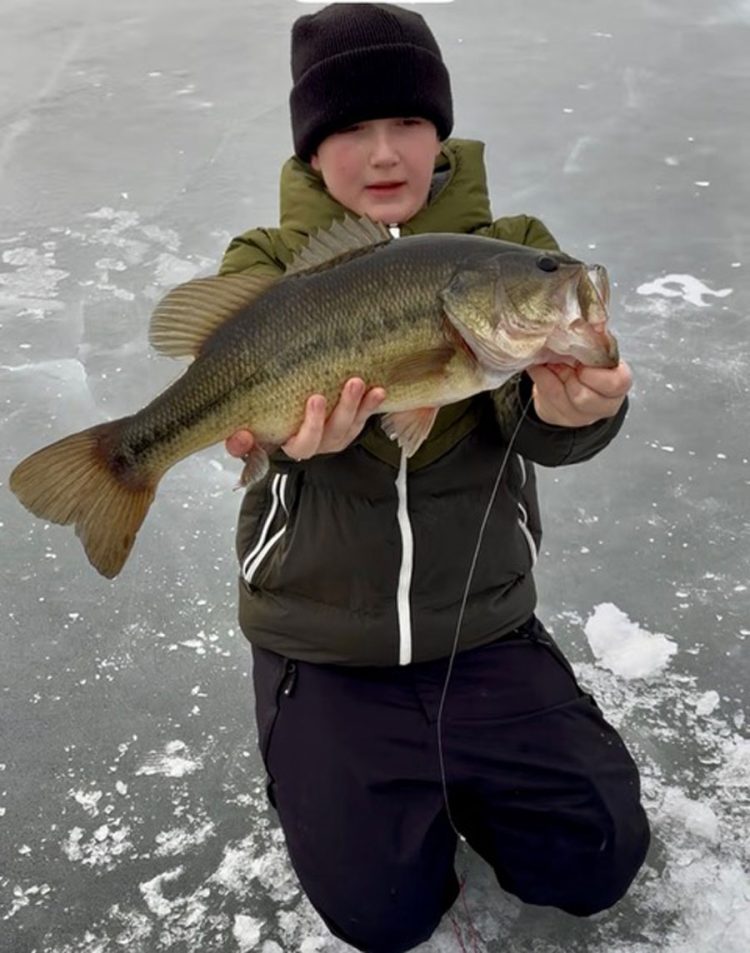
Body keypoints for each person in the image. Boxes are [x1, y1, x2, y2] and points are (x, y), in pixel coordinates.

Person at [218, 4, 650, 952]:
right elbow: (251, 411)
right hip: (323, 643)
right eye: (351, 129)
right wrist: (285, 440)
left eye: (408, 122)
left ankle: (473, 778)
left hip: (483, 627)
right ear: (311, 147)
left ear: (440, 130)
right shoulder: (269, 265)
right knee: (382, 915)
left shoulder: (514, 247)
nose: (384, 154)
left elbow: (538, 414)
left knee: (600, 857)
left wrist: (582, 410)